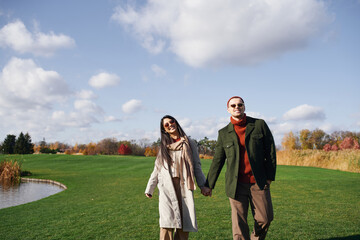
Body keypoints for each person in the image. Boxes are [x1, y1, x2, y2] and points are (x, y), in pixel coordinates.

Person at [205, 96, 276, 240]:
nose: (237, 107)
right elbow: (217, 160)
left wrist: (269, 177)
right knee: (239, 225)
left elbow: (270, 152)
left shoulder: (259, 125)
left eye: (240, 104)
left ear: (244, 107)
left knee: (265, 218)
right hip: (235, 184)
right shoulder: (224, 133)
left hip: (259, 182)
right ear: (228, 109)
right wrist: (208, 185)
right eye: (233, 105)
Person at [145, 115, 211, 240]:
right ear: (164, 129)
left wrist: (203, 185)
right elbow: (157, 168)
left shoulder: (189, 143)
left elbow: (196, 166)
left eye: (172, 121)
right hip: (166, 186)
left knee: (184, 222)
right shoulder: (164, 145)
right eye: (166, 125)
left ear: (176, 122)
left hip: (184, 185)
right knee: (167, 222)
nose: (170, 125)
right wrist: (150, 188)